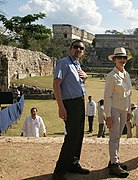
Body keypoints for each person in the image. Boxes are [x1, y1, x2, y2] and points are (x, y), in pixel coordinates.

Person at [53, 39, 90, 180]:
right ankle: (59, 171)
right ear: (70, 49)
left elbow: (76, 82)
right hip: (70, 103)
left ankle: (73, 163)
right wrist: (61, 107)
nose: (78, 50)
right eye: (76, 47)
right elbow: (56, 84)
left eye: (81, 48)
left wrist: (85, 77)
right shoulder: (64, 63)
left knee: (79, 135)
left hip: (80, 102)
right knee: (71, 137)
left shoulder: (77, 65)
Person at [104, 47, 132, 178]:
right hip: (114, 109)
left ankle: (114, 160)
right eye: (119, 58)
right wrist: (108, 116)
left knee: (118, 136)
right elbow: (107, 97)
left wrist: (128, 111)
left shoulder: (126, 75)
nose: (122, 60)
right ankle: (114, 164)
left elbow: (129, 95)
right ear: (114, 60)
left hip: (123, 109)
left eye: (124, 58)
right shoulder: (111, 76)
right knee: (114, 137)